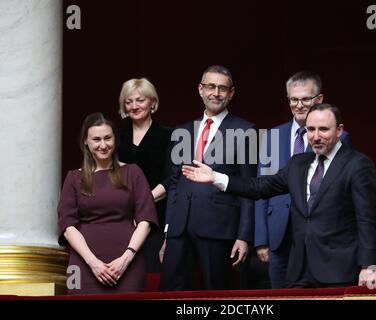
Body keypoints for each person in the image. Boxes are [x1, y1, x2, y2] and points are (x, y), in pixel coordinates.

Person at [182, 103, 376, 288]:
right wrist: (216, 177)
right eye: (311, 130)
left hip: (340, 271)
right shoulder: (298, 164)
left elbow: (367, 221)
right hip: (299, 271)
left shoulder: (358, 164)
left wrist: (368, 266)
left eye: (324, 129)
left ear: (339, 130)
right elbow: (260, 187)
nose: (316, 136)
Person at [159, 65, 257, 291]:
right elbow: (174, 184)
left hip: (219, 227)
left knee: (216, 291)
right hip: (179, 228)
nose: (216, 93)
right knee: (170, 292)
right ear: (200, 90)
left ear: (231, 93)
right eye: (211, 86)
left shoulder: (246, 130)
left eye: (223, 88)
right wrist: (168, 232)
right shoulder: (182, 131)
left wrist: (244, 236)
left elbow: (250, 187)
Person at [255, 71, 351, 288]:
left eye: (305, 99)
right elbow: (261, 189)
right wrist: (261, 239)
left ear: (319, 100)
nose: (299, 105)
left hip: (317, 236)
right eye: (293, 99)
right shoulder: (272, 136)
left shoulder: (338, 137)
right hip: (278, 234)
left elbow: (338, 192)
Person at [57, 112, 158, 294]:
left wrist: (126, 258)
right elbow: (67, 226)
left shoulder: (133, 172)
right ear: (86, 142)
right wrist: (93, 263)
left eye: (107, 138)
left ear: (115, 139)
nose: (103, 145)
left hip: (129, 263)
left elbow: (146, 220)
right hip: (83, 264)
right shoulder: (74, 178)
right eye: (96, 139)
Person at [117, 78, 172, 273]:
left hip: (157, 217)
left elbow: (172, 178)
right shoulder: (116, 137)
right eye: (129, 101)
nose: (134, 106)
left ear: (152, 102)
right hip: (122, 218)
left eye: (140, 100)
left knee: (151, 275)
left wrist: (143, 202)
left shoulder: (168, 136)